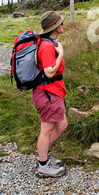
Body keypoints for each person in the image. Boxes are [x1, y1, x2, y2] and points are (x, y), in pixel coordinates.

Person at [33, 11, 68, 178]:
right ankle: (43, 165)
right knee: (46, 130)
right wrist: (60, 53)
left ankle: (45, 156)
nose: (62, 24)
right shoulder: (47, 46)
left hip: (53, 92)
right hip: (47, 93)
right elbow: (49, 72)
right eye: (60, 22)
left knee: (61, 125)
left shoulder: (49, 43)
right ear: (54, 27)